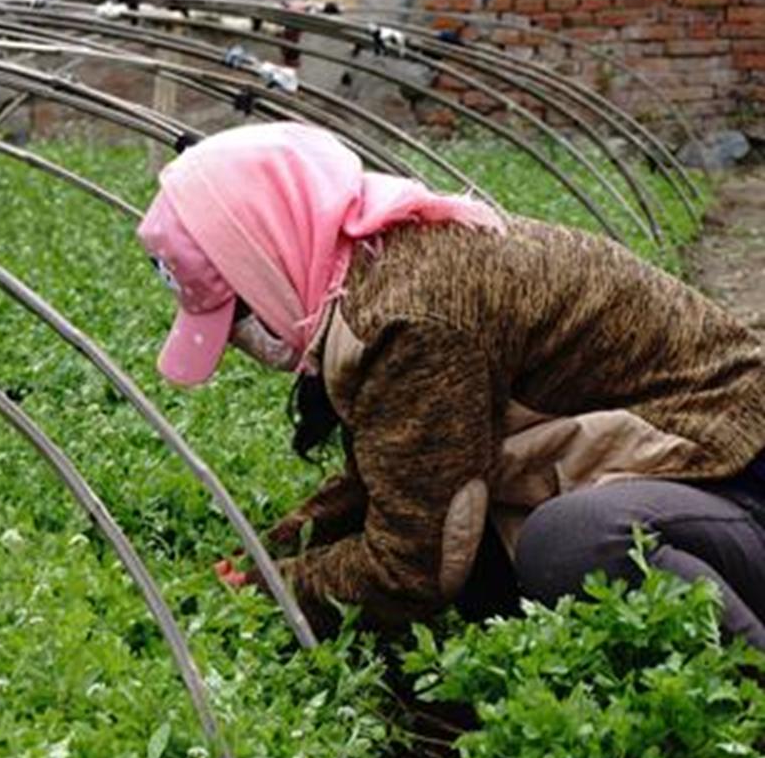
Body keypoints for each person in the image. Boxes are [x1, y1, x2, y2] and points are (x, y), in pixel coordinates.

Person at [138, 123, 765, 647]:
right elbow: (399, 478)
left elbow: (412, 565)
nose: (245, 342)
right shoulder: (374, 265)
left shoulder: (413, 315)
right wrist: (266, 556)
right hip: (692, 483)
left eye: (239, 313)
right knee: (488, 567)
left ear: (269, 253)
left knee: (570, 546)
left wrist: (272, 594)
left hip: (739, 476)